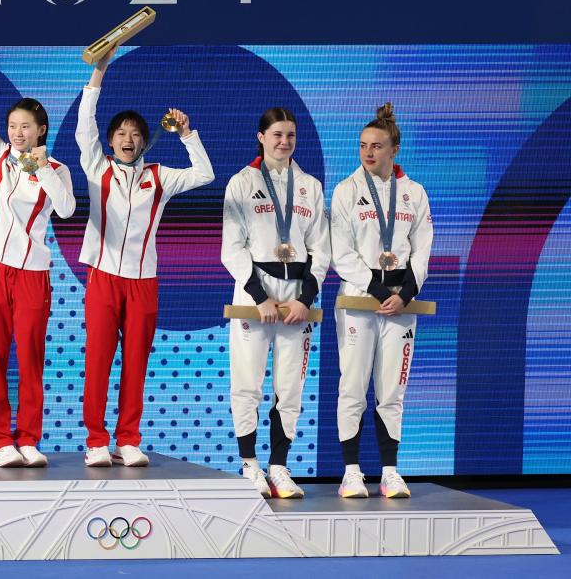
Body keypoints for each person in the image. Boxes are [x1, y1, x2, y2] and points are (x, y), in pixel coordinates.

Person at [78, 47, 214, 467]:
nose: (128, 139)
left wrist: (187, 134)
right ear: (110, 140)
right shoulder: (96, 167)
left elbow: (205, 174)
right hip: (102, 278)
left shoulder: (159, 176)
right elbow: (84, 125)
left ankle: (128, 439)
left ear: (143, 141)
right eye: (121, 133)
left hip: (143, 282)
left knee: (135, 362)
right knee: (98, 361)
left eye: (135, 134)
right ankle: (96, 441)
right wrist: (98, 74)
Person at [0, 33, 76, 467]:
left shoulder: (57, 169)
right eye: (13, 126)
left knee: (30, 358)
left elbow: (66, 210)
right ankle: (1, 440)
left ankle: (28, 438)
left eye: (25, 126)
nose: (17, 132)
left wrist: (41, 169)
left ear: (41, 129)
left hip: (32, 274)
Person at [221, 108, 331, 498]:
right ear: (261, 137)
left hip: (296, 298)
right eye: (277, 135)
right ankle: (250, 465)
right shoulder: (241, 183)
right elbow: (231, 247)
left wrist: (305, 298)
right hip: (255, 294)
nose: (284, 142)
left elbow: (321, 248)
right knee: (247, 383)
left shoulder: (310, 186)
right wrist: (260, 296)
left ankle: (279, 467)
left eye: (291, 136)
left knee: (290, 386)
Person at [331, 103, 433, 498]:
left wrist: (405, 294)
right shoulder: (346, 190)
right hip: (360, 299)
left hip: (402, 305)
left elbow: (422, 250)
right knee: (353, 386)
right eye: (362, 145)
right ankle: (351, 472)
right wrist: (378, 291)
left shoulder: (414, 193)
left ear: (394, 150)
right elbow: (342, 253)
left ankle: (390, 471)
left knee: (392, 390)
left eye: (376, 146)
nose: (368, 152)